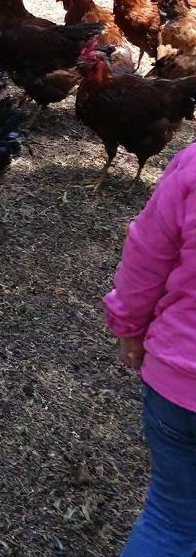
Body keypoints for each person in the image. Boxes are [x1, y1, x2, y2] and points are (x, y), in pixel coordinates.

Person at [105, 144, 196, 556]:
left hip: (179, 381)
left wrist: (129, 329)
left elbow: (146, 256)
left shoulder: (193, 164)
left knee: (169, 520)